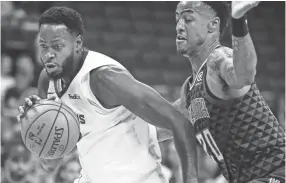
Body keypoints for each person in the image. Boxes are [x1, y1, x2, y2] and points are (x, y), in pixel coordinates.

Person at [17, 6, 198, 183]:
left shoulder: (103, 79)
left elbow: (179, 123)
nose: (48, 54)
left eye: (57, 46)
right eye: (43, 46)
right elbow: (50, 163)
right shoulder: (47, 82)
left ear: (78, 43)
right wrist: (35, 127)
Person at [173, 1, 285, 183]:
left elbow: (244, 75)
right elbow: (165, 124)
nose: (179, 26)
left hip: (277, 172)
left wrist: (239, 20)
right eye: (177, 19)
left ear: (213, 25)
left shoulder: (219, 59)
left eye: (188, 19)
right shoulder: (189, 91)